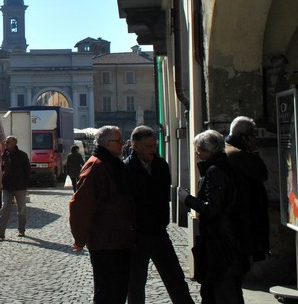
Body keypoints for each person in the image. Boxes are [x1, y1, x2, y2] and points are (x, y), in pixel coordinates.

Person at [124, 126, 194, 304]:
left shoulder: (161, 165)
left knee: (175, 279)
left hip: (158, 232)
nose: (153, 150)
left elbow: (162, 196)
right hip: (137, 236)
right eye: (148, 146)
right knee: (135, 284)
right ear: (135, 145)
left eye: (154, 145)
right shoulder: (126, 168)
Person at [69, 125, 135, 304]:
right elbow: (80, 206)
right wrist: (80, 239)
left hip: (119, 238)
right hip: (105, 240)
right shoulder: (96, 166)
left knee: (118, 289)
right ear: (107, 144)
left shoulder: (113, 164)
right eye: (118, 141)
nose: (122, 144)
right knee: (107, 291)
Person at [179, 129, 245, 304]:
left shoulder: (215, 171)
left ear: (208, 151)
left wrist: (188, 200)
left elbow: (213, 208)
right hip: (224, 238)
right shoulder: (223, 167)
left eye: (198, 150)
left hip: (220, 240)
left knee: (221, 289)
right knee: (217, 289)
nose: (196, 153)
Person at [225, 116, 270, 264]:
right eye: (253, 135)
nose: (255, 139)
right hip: (243, 216)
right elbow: (261, 173)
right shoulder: (238, 154)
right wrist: (254, 151)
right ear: (245, 137)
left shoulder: (228, 149)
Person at [0, 135, 31, 239]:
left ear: (14, 143)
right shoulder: (4, 154)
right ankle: (0, 231)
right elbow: (3, 168)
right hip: (7, 186)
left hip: (20, 186)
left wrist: (25, 183)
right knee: (4, 207)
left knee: (21, 210)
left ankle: (21, 230)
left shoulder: (22, 155)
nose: (6, 143)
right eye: (6, 141)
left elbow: (28, 171)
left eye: (8, 142)